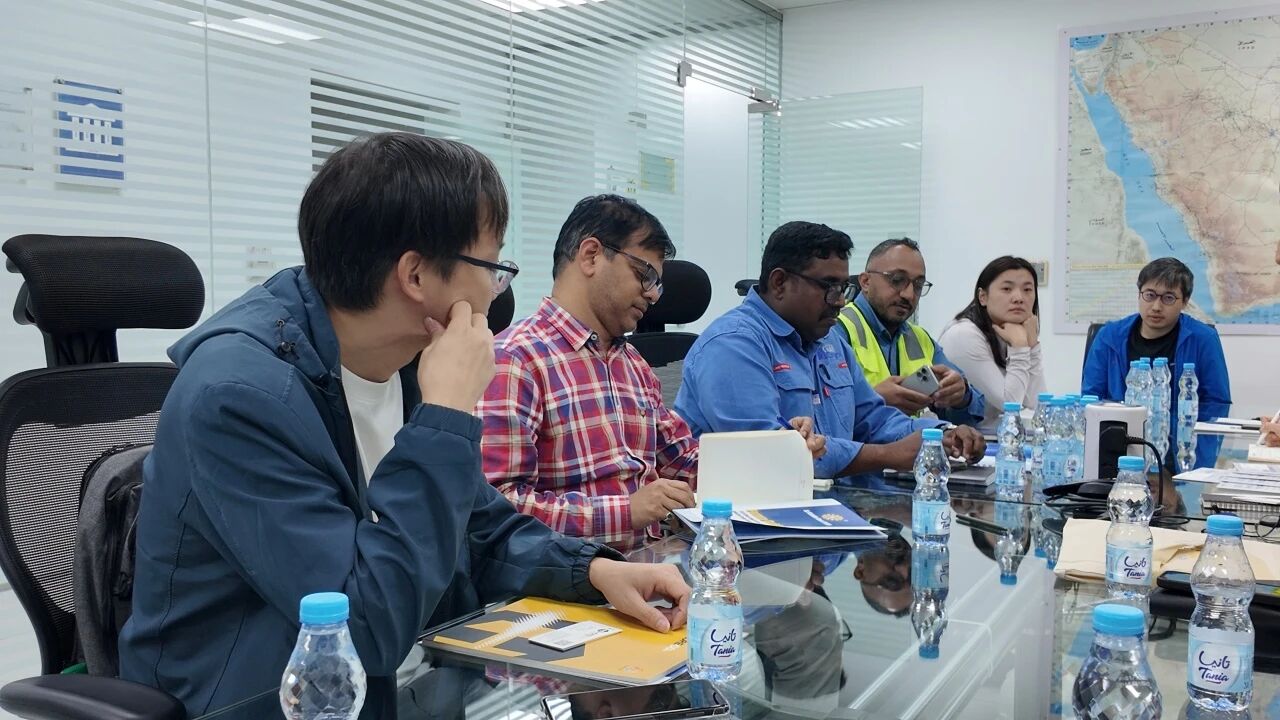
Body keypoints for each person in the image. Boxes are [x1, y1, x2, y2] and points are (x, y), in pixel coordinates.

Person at [118, 133, 690, 719]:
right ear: (416, 276)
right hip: (267, 702)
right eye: (493, 267)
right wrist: (446, 416)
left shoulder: (409, 361)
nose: (497, 292)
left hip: (408, 687)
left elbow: (480, 527)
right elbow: (363, 626)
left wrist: (593, 570)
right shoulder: (238, 397)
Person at [477, 195, 823, 550]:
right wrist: (626, 512)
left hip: (654, 564)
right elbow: (495, 509)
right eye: (645, 275)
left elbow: (685, 463)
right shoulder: (515, 359)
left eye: (657, 284)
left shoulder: (633, 365)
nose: (653, 295)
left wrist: (780, 454)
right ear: (591, 256)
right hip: (569, 576)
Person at [674, 221, 985, 483]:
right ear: (779, 282)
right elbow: (772, 455)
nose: (840, 301)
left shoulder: (828, 341)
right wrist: (888, 455)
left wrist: (941, 435)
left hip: (833, 509)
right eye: (829, 287)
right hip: (753, 521)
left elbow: (873, 419)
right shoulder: (733, 344)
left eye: (843, 288)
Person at [1081, 257, 1231, 467]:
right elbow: (1091, 400)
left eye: (1168, 298)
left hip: (1180, 456)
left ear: (1185, 301)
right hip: (1118, 453)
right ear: (1139, 294)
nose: (1156, 306)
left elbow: (1215, 405)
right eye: (1150, 295)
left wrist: (1192, 470)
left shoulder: (1203, 339)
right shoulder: (1109, 337)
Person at [836, 237, 985, 426]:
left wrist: (962, 395)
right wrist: (873, 401)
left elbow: (974, 409)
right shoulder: (836, 331)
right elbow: (824, 417)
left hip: (915, 441)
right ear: (865, 282)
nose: (908, 294)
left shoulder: (920, 338)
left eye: (918, 285)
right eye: (897, 280)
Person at [938, 256, 1047, 430]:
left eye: (1027, 289)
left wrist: (1032, 346)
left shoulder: (1007, 332)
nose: (1019, 298)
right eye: (1007, 289)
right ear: (983, 297)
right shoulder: (964, 335)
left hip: (996, 437)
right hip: (962, 440)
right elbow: (1010, 406)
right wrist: (1020, 347)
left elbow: (1037, 402)